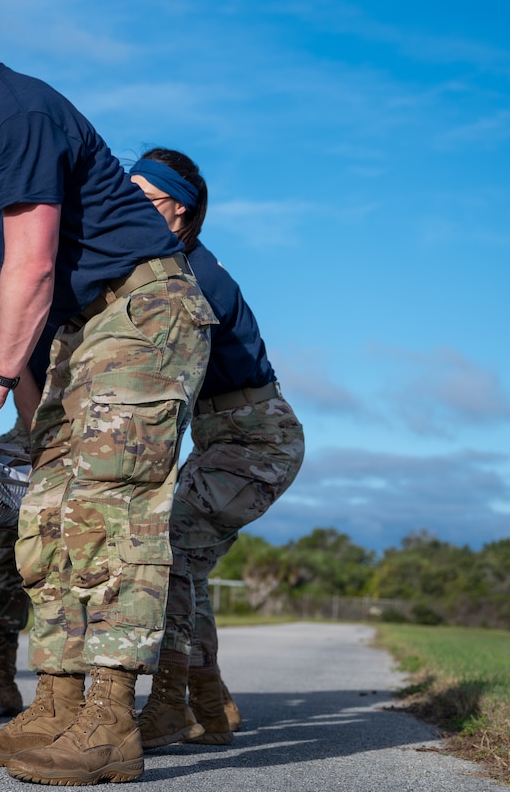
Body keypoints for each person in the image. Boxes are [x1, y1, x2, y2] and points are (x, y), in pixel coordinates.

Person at [0, 0, 216, 785]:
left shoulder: (20, 110)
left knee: (112, 505)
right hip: (86, 328)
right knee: (45, 511)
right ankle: (58, 702)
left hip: (141, 309)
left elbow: (33, 265)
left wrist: (1, 379)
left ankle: (110, 721)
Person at [127, 148, 305, 749]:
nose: (131, 209)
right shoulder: (167, 264)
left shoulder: (195, 277)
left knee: (173, 548)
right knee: (190, 563)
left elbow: (171, 379)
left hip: (258, 440)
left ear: (180, 210)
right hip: (223, 438)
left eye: (145, 199)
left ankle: (171, 704)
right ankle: (208, 702)